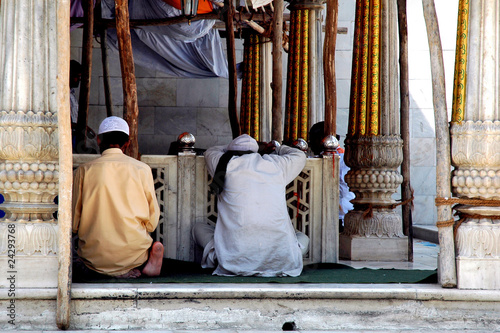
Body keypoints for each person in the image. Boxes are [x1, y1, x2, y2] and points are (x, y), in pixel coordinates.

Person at [192, 134, 310, 277]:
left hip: (234, 259)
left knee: (198, 228)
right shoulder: (276, 164)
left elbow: (211, 150)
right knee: (302, 237)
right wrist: (276, 147)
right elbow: (299, 155)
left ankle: (219, 257)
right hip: (279, 260)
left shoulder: (223, 163)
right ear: (256, 151)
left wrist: (229, 148)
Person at [72, 116, 163, 278]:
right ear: (127, 143)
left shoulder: (83, 171)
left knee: (80, 261)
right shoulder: (142, 169)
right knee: (141, 245)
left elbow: (73, 223)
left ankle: (104, 266)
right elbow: (152, 222)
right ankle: (144, 263)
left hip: (94, 257)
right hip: (133, 255)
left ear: (99, 140)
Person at [309, 121, 355, 231]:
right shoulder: (325, 156)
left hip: (340, 213)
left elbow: (344, 189)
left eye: (312, 139)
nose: (310, 144)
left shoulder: (342, 157)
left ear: (322, 139)